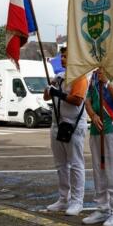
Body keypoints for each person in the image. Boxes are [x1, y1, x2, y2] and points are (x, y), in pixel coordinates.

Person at [82, 67, 113, 226]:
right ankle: (102, 208)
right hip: (96, 129)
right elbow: (87, 100)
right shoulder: (93, 75)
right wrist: (93, 115)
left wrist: (107, 83)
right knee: (98, 172)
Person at [44, 47, 89, 216]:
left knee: (76, 164)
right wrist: (49, 87)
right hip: (57, 124)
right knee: (60, 164)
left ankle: (77, 201)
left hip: (73, 125)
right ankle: (64, 198)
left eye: (65, 56)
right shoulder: (60, 77)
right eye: (61, 56)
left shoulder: (80, 77)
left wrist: (58, 93)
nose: (62, 59)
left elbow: (77, 100)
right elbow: (46, 97)